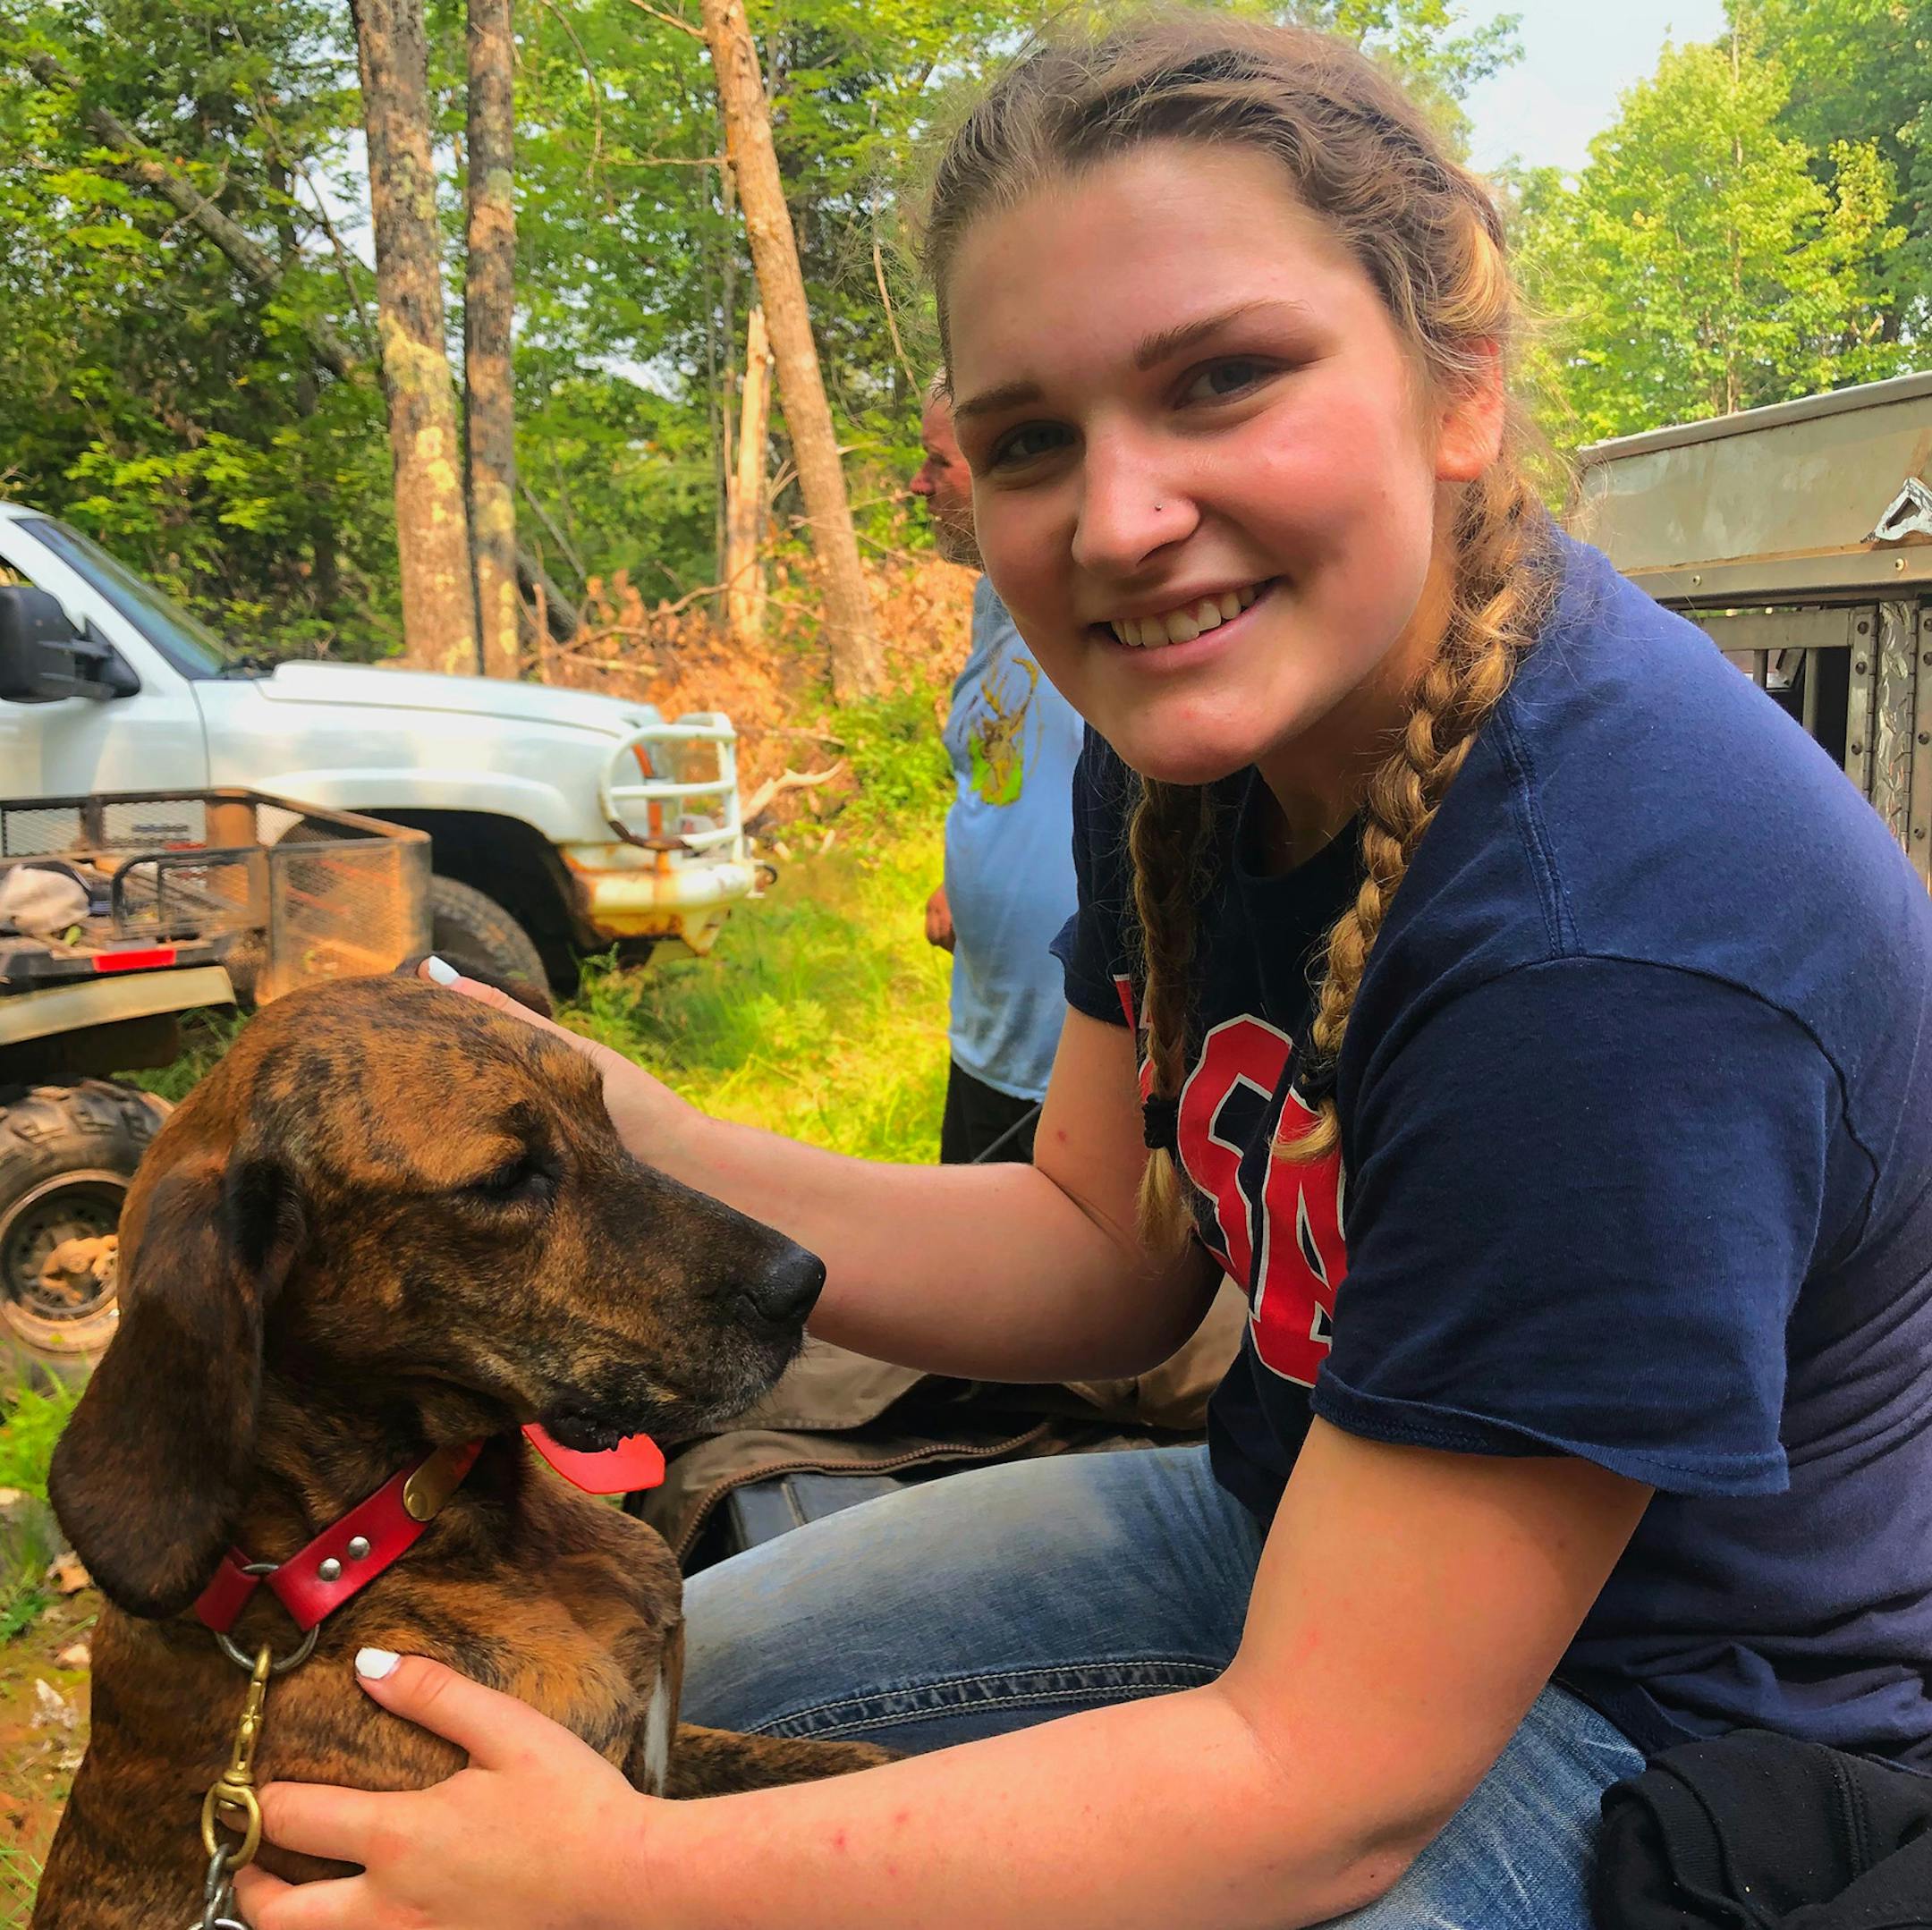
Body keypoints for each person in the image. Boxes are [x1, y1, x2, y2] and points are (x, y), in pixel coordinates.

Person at [236, 16, 1932, 1930]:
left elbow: (1323, 1784)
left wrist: (626, 1874)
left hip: (1642, 1732)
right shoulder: (1187, 749)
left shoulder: (1616, 933)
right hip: (1291, 1528)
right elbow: (1100, 1252)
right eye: (1033, 438)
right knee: (670, 1664)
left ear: (1456, 383)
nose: (1119, 522)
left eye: (1222, 379)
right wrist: (635, 1126)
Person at [911, 380, 1084, 1164]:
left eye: (935, 461)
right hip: (986, 1029)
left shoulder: (1105, 609)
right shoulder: (994, 600)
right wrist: (963, 879)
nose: (919, 483)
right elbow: (998, 769)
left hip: (1074, 1059)